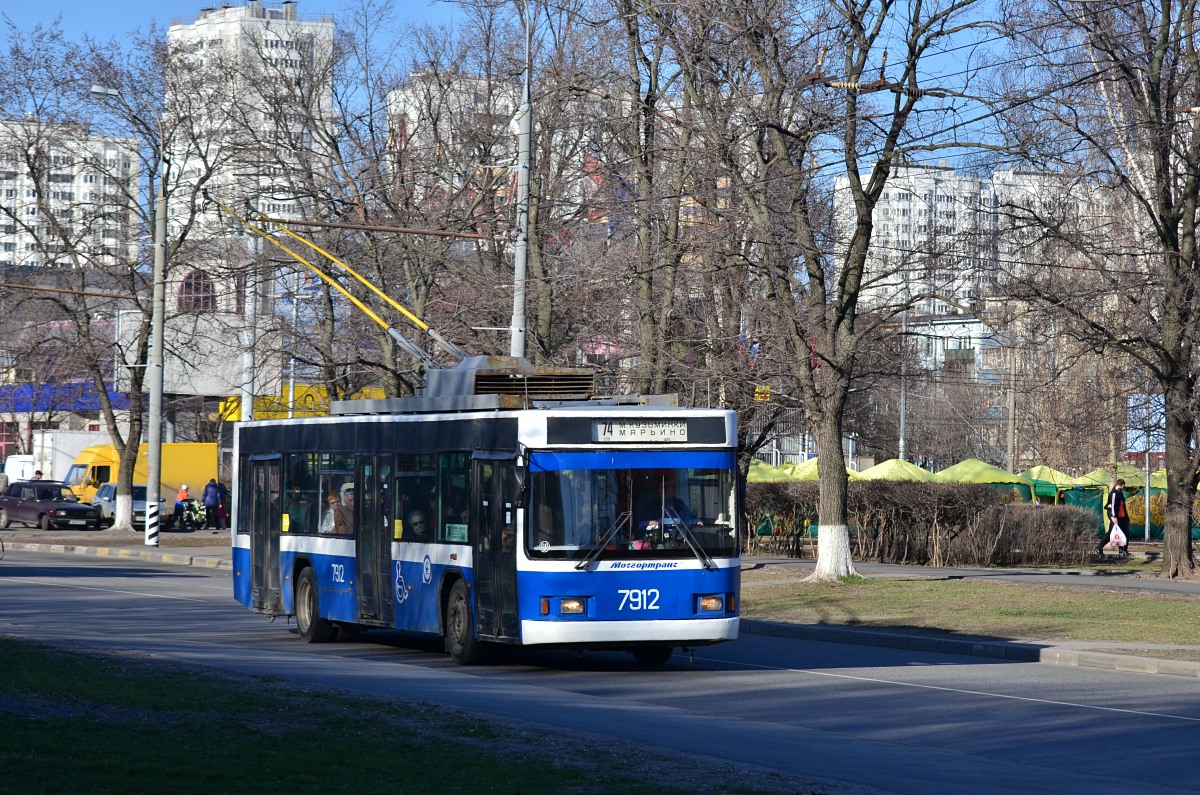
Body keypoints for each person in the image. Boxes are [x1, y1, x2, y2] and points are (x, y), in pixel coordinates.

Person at [1101, 478, 1131, 559]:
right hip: (1116, 517)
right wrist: (1114, 517)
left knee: (1126, 533)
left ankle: (1123, 550)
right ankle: (1099, 547)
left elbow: (1122, 506)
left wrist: (1127, 518)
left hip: (1123, 517)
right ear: (1122, 485)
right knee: (1111, 533)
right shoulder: (1114, 493)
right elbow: (1113, 506)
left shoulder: (1120, 493)